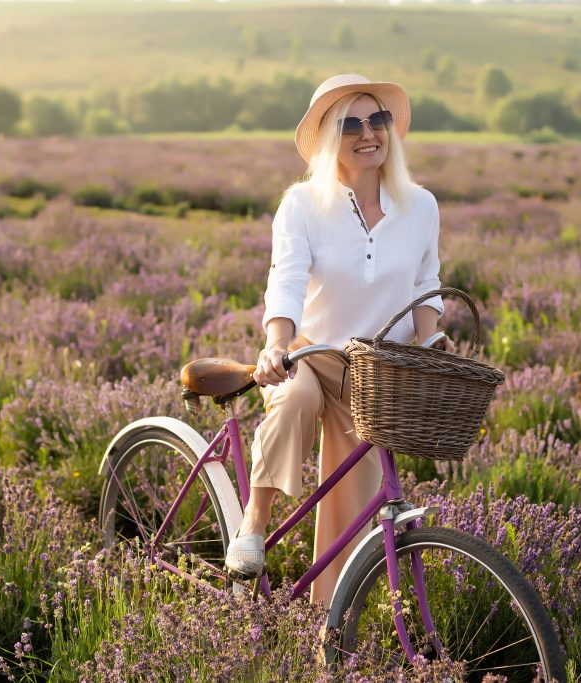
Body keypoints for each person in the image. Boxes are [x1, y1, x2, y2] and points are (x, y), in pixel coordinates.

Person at [224, 74, 452, 609]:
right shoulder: (303, 204)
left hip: (377, 370)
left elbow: (426, 282)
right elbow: (286, 279)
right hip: (312, 354)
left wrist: (430, 339)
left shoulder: (420, 206)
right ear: (330, 136)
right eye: (351, 123)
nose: (368, 133)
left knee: (353, 504)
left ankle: (330, 621)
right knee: (296, 397)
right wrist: (276, 344)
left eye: (378, 120)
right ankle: (253, 525)